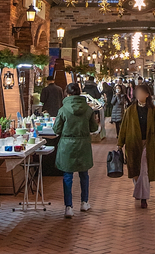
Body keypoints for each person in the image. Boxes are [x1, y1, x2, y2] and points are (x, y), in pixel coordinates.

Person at [53, 83, 99, 219]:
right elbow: (93, 128)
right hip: (83, 144)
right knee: (84, 174)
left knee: (68, 176)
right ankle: (84, 202)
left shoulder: (63, 109)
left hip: (67, 145)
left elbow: (56, 129)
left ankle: (68, 207)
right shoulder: (88, 109)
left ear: (67, 93)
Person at [117, 84, 155, 209]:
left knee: (144, 171)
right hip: (132, 144)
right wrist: (120, 144)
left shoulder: (153, 111)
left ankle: (144, 197)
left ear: (147, 95)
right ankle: (139, 190)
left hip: (147, 144)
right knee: (135, 170)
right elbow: (124, 128)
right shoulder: (130, 110)